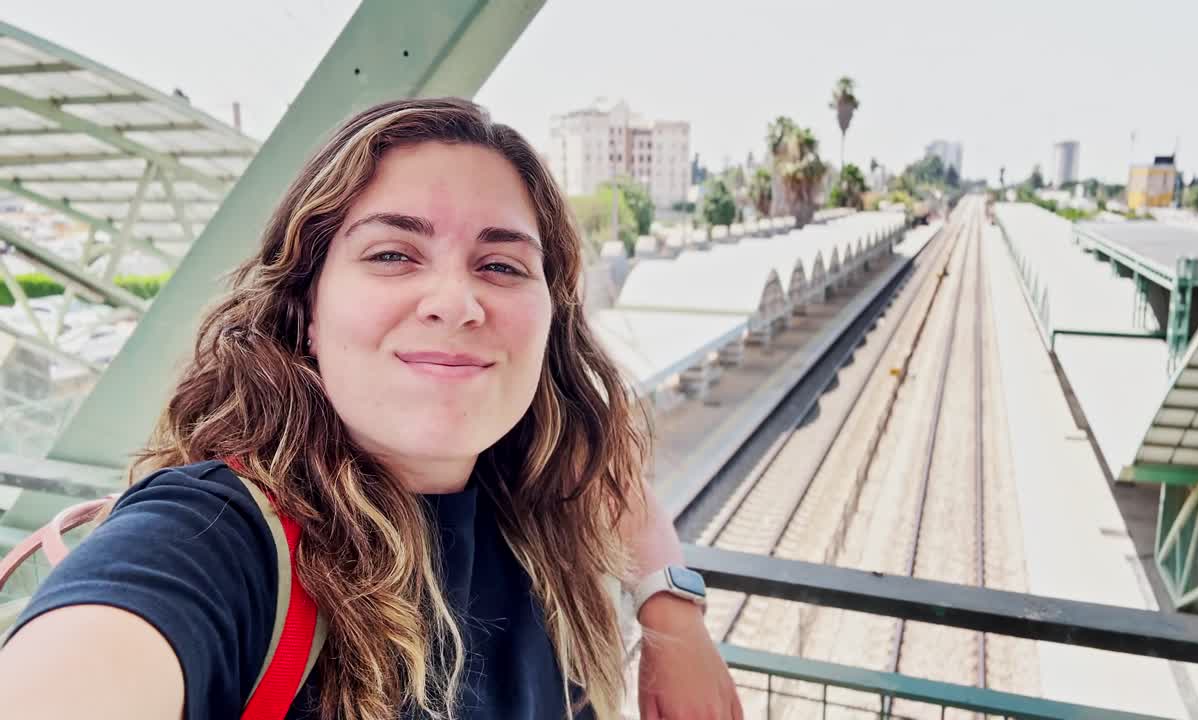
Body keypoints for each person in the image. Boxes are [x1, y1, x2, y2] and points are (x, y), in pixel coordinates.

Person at [0, 97, 741, 720]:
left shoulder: (530, 486)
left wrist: (673, 617)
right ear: (306, 313)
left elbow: (601, 464)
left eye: (502, 265)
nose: (456, 303)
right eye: (392, 254)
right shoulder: (212, 539)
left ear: (550, 322)